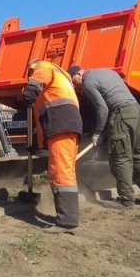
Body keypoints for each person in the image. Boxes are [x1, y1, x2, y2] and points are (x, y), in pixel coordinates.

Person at [68, 66, 140, 209]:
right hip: (136, 111)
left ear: (79, 74)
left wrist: (97, 133)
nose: (75, 86)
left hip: (121, 113)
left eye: (73, 81)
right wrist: (105, 131)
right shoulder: (106, 72)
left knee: (120, 158)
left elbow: (102, 108)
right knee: (138, 155)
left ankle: (126, 200)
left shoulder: (88, 82)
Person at [22, 60, 83, 233]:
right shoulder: (61, 78)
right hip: (67, 124)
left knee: (60, 171)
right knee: (66, 170)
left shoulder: (42, 67)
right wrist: (37, 144)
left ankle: (67, 221)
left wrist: (30, 90)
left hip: (61, 123)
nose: (31, 76)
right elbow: (45, 114)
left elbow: (37, 80)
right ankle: (68, 216)